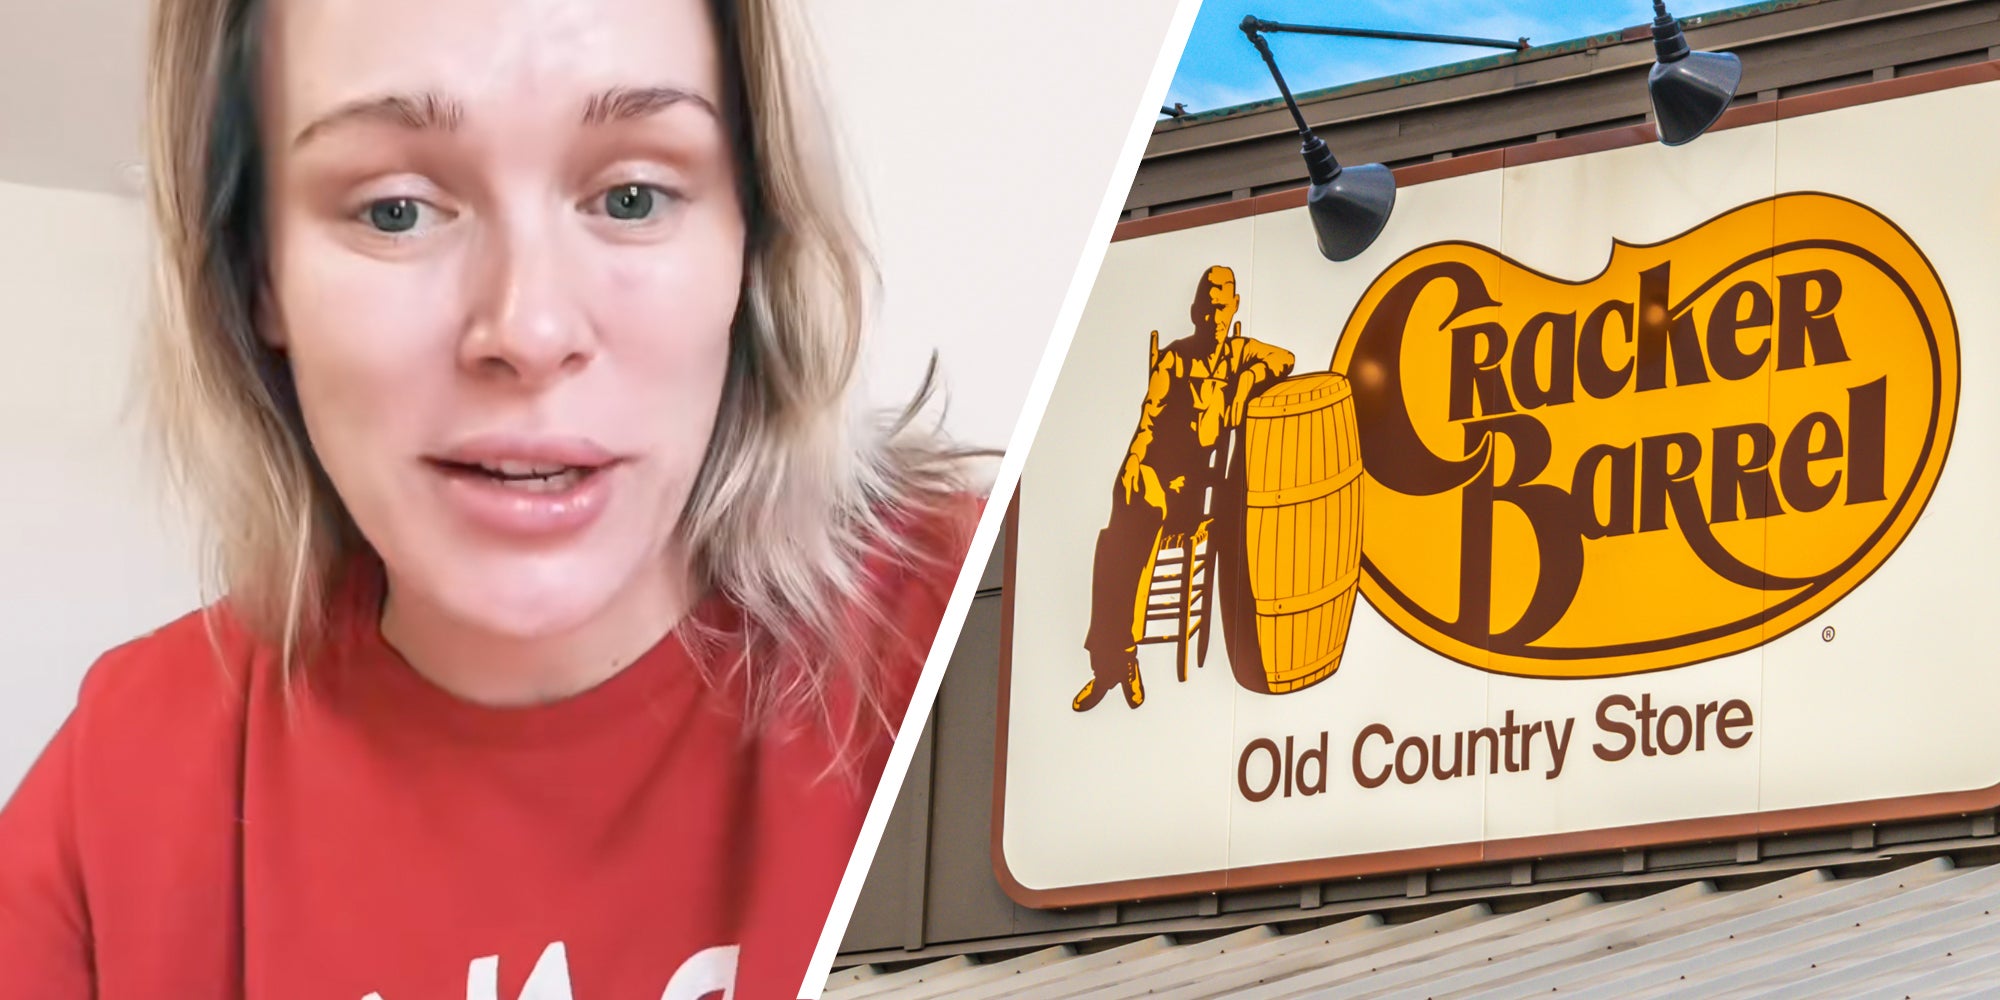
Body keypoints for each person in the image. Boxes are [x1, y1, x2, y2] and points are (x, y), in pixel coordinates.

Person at [0, 0, 979, 997]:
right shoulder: (121, 786)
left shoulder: (986, 630)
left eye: (632, 196)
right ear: (258, 274)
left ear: (752, 235)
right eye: (396, 209)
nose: (529, 327)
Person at [1077, 265, 1293, 712]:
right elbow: (1148, 419)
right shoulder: (1175, 359)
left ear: (1233, 308)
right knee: (1122, 529)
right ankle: (1118, 660)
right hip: (1157, 475)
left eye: (1222, 306)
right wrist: (1135, 461)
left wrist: (1249, 380)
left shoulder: (1239, 356)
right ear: (1196, 311)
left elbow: (1283, 359)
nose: (1214, 315)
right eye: (1207, 306)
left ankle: (1113, 664)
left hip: (1198, 491)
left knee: (1124, 536)